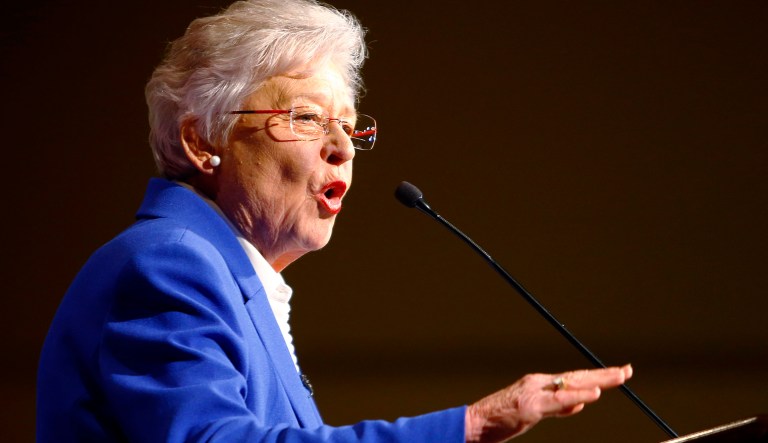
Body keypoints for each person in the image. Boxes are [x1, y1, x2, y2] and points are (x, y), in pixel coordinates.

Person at [36, 0, 632, 442]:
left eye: (349, 125)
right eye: (307, 117)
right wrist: (472, 425)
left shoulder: (229, 277)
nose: (343, 147)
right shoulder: (168, 262)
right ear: (202, 140)